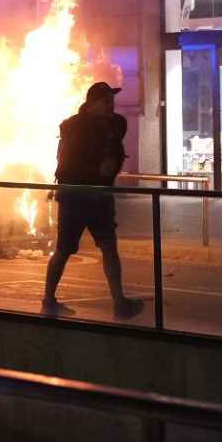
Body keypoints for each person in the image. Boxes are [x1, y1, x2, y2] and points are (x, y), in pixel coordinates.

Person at [42, 81, 145, 320]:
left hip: (99, 197)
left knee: (109, 247)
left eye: (112, 101)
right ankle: (48, 299)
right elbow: (66, 167)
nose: (112, 106)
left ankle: (120, 302)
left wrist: (109, 168)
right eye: (106, 101)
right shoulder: (75, 128)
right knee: (64, 250)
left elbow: (116, 151)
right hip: (75, 198)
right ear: (91, 104)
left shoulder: (113, 125)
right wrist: (97, 170)